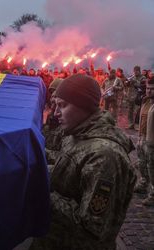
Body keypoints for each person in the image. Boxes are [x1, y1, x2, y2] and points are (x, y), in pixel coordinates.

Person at [31, 74, 136, 250]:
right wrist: (36, 154)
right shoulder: (78, 134)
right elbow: (69, 165)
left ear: (84, 106)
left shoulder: (105, 156)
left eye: (63, 106)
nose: (56, 113)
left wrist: (38, 189)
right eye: (56, 105)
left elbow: (90, 226)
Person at [137, 78, 154, 206]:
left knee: (152, 168)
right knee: (141, 163)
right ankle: (143, 183)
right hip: (142, 137)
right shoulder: (146, 101)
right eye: (148, 88)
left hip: (152, 141)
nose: (149, 91)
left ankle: (153, 194)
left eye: (152, 89)